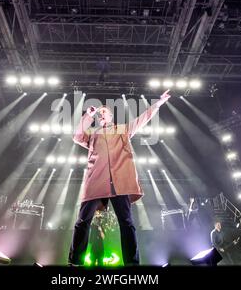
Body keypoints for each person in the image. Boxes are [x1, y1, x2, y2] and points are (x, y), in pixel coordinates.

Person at [68, 90, 171, 266]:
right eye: (98, 114)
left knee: (126, 222)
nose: (100, 115)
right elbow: (77, 136)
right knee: (82, 221)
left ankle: (132, 263)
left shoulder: (123, 129)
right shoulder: (93, 133)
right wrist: (88, 116)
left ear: (110, 116)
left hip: (119, 183)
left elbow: (143, 118)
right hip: (96, 182)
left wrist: (159, 103)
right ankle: (75, 261)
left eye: (103, 113)